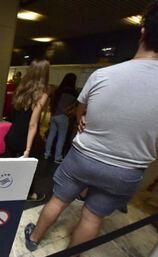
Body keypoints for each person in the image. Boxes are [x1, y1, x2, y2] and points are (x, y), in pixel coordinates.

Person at [25, 2, 158, 255]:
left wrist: (81, 116)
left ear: (142, 32)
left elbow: (81, 110)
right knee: (92, 218)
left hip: (84, 157)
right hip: (127, 169)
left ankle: (34, 238)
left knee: (58, 200)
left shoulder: (103, 75)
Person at [4, 59, 50, 202]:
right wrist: (28, 149)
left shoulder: (20, 90)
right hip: (24, 138)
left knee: (10, 167)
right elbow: (32, 124)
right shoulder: (42, 94)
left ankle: (6, 192)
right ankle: (29, 194)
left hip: (11, 135)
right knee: (29, 169)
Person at [44, 73, 78, 163]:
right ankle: (57, 157)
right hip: (63, 117)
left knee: (51, 135)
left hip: (54, 115)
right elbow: (73, 107)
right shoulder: (74, 93)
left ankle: (46, 154)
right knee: (61, 137)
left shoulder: (58, 90)